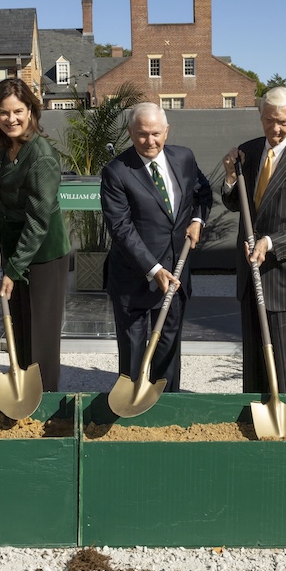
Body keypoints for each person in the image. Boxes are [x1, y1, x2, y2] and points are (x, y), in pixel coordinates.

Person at [221, 87, 286, 394]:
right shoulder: (248, 152)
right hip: (250, 276)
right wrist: (230, 177)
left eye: (282, 120)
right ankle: (253, 425)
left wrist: (270, 242)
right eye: (269, 120)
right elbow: (235, 204)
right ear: (260, 116)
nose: (275, 128)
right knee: (255, 365)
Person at [100, 102, 212, 392]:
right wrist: (154, 268)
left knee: (168, 345)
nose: (150, 141)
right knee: (134, 349)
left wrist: (198, 219)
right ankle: (132, 405)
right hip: (134, 276)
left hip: (176, 270)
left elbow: (203, 192)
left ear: (167, 131)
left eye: (156, 133)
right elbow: (121, 228)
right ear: (130, 132)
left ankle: (166, 404)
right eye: (142, 134)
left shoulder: (184, 158)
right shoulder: (116, 172)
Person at [0, 77, 70, 392]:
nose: (11, 119)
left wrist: (13, 270)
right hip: (17, 251)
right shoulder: (8, 145)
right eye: (4, 113)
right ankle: (25, 399)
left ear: (30, 110)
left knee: (41, 339)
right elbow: (6, 177)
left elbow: (39, 221)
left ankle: (45, 407)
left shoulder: (41, 156)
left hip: (42, 255)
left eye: (18, 111)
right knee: (21, 331)